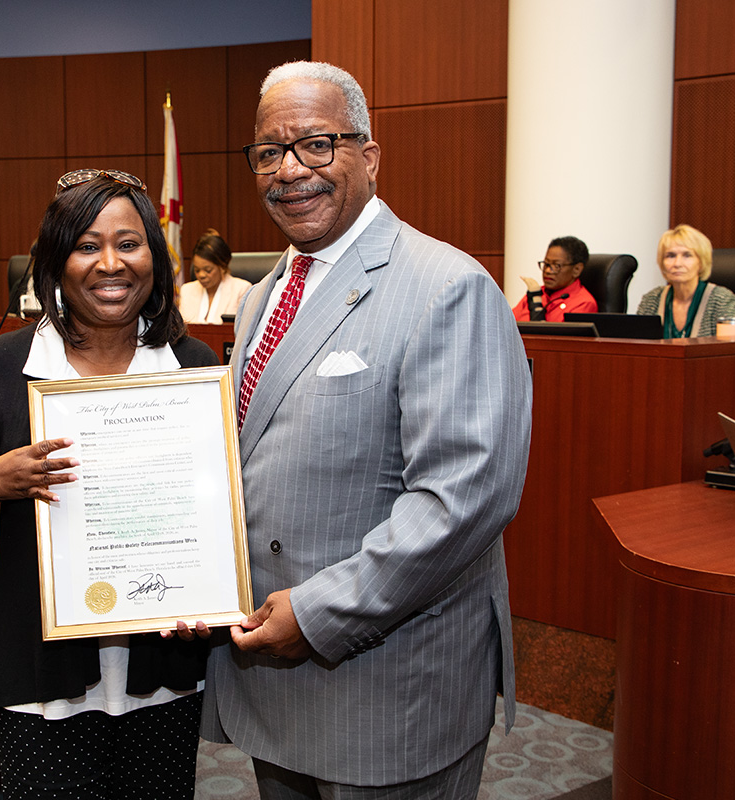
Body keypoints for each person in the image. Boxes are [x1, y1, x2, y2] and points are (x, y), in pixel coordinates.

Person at [201, 61, 532, 799]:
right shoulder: (261, 296)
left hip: (389, 690)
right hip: (278, 685)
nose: (290, 170)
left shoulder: (448, 288)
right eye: (268, 152)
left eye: (317, 144)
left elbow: (464, 498)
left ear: (369, 157)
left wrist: (317, 615)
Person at [0, 169, 218, 800]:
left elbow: (218, 512)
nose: (111, 263)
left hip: (161, 675)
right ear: (54, 262)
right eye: (86, 245)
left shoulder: (193, 367)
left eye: (129, 244)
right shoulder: (3, 366)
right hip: (40, 678)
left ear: (155, 260)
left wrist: (211, 597)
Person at [636, 223, 735, 338]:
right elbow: (638, 347)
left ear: (701, 262)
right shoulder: (651, 299)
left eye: (687, 255)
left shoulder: (720, 299)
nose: (677, 263)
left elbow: (730, 349)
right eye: (670, 256)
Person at [512, 235, 598, 321]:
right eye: (546, 264)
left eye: (557, 266)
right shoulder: (537, 294)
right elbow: (507, 323)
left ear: (577, 269)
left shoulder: (583, 303)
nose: (548, 271)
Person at [178, 228, 252, 324]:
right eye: (197, 270)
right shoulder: (187, 290)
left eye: (208, 270)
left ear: (222, 266)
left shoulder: (241, 290)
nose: (201, 275)